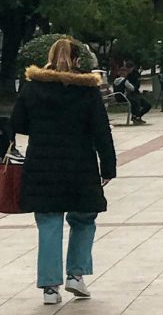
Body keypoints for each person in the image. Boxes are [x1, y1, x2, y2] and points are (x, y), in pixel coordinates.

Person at [11, 37, 116, 305]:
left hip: (42, 165)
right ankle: (76, 275)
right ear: (79, 60)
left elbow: (18, 123)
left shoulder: (32, 88)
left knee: (48, 223)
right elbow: (101, 131)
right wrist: (108, 166)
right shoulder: (87, 91)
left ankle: (49, 287)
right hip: (79, 165)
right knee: (83, 219)